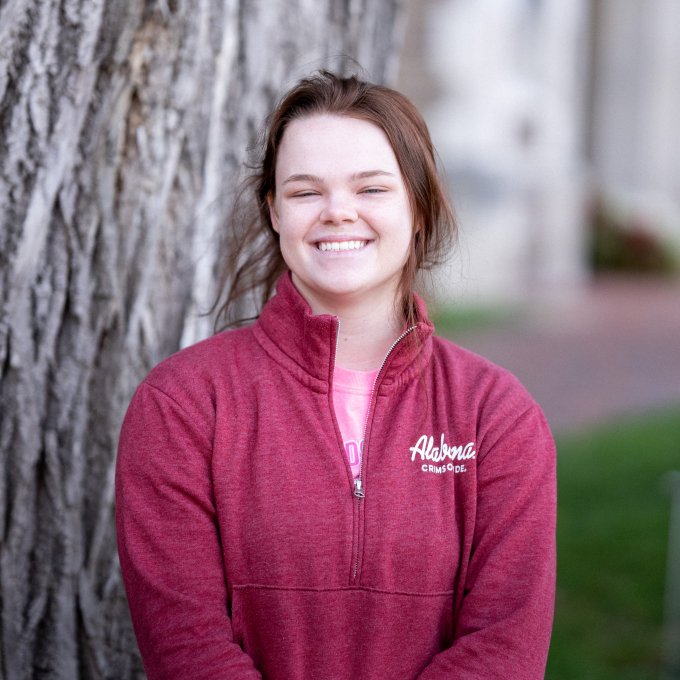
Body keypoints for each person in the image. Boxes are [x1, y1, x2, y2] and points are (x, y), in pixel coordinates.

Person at [116, 71, 556, 680]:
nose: (338, 213)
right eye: (305, 192)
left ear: (419, 206)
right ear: (273, 211)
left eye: (372, 188)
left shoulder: (496, 414)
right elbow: (188, 648)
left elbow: (505, 647)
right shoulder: (183, 405)